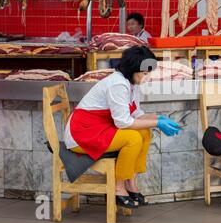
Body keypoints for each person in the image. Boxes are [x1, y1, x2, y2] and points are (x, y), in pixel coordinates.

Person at [64, 46, 181, 208]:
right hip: (81, 133)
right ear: (133, 68)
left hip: (100, 128)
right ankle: (118, 189)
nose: (147, 78)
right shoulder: (117, 84)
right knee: (132, 138)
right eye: (145, 74)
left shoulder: (132, 83)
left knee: (144, 133)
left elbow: (136, 114)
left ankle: (130, 183)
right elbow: (123, 122)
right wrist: (157, 123)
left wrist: (158, 118)